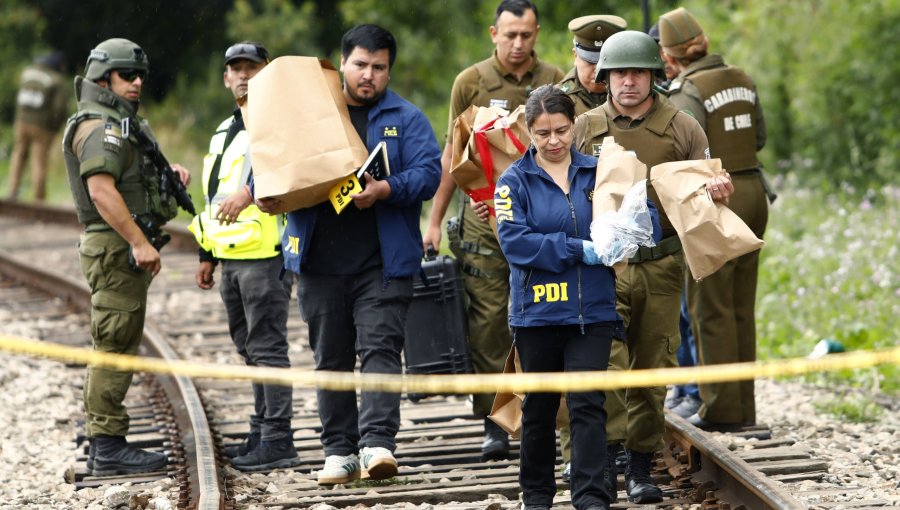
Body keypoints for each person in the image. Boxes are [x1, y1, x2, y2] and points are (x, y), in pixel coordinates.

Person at [257, 24, 441, 485]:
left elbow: (428, 174)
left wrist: (386, 188)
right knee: (331, 358)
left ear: (388, 71)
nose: (369, 75)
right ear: (341, 63)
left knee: (380, 351)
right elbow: (272, 165)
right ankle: (338, 451)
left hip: (383, 263)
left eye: (379, 67)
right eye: (360, 64)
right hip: (319, 262)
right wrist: (264, 193)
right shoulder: (313, 113)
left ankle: (377, 444)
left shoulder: (408, 116)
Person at [573, 30, 733, 504]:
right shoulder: (584, 127)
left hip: (661, 264)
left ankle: (640, 468)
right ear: (605, 78)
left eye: (638, 72)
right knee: (605, 367)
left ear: (654, 76)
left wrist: (719, 193)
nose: (628, 82)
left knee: (652, 368)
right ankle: (602, 463)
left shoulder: (683, 128)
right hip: (603, 267)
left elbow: (708, 196)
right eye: (619, 73)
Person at [496, 84, 658, 510]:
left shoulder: (600, 173)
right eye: (543, 133)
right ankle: (536, 497)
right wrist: (576, 249)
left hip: (593, 312)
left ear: (574, 128)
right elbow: (515, 243)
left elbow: (643, 220)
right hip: (538, 314)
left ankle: (590, 497)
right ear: (528, 131)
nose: (554, 142)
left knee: (589, 405)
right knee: (540, 411)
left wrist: (630, 233)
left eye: (562, 131)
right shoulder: (513, 183)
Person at [421, 0, 564, 461]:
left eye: (526, 35)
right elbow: (453, 155)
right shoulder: (471, 81)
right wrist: (436, 218)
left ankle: (542, 416)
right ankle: (494, 422)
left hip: (541, 220)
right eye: (509, 35)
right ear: (493, 33)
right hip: (485, 225)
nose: (518, 44)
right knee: (487, 326)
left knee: (544, 319)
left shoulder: (554, 78)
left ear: (537, 33)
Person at [63, 38, 191, 476]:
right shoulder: (101, 125)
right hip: (116, 248)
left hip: (116, 248)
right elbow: (101, 190)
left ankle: (103, 440)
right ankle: (109, 446)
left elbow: (124, 178)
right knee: (116, 343)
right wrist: (139, 241)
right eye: (126, 76)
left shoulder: (114, 122)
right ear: (103, 80)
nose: (136, 83)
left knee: (115, 339)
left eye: (139, 76)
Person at [190, 41, 299, 471]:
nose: (243, 75)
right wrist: (206, 253)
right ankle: (261, 429)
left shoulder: (279, 123)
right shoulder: (225, 129)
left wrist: (250, 194)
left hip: (264, 255)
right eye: (235, 68)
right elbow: (213, 194)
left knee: (268, 348)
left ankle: (278, 438)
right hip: (231, 257)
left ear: (266, 72)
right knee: (249, 348)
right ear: (225, 78)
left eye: (251, 67)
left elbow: (287, 174)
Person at [659, 6, 769, 429]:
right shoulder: (741, 78)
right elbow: (759, 136)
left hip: (717, 197)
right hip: (755, 192)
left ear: (669, 57)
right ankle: (745, 407)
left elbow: (689, 150)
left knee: (710, 306)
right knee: (742, 305)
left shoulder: (688, 90)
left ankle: (720, 409)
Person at [8, 51, 70, 201]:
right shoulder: (57, 80)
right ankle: (38, 198)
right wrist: (54, 126)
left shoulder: (27, 73)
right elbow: (59, 107)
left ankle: (12, 192)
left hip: (21, 122)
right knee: (39, 161)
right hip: (42, 126)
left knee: (18, 156)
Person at [558, 15, 627, 116]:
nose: (598, 69)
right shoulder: (557, 99)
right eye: (590, 61)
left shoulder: (636, 94)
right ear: (575, 55)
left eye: (605, 61)